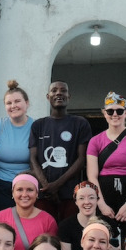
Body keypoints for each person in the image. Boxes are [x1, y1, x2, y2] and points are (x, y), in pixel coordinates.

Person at [87, 92, 126, 238]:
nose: (114, 114)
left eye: (119, 111)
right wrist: (101, 204)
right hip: (104, 193)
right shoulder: (95, 141)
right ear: (104, 113)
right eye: (110, 111)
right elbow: (92, 175)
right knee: (106, 238)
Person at [29, 81, 92, 222]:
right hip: (43, 194)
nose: (58, 93)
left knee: (67, 237)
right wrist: (47, 187)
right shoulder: (38, 125)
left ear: (69, 96)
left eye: (63, 91)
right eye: (54, 90)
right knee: (45, 236)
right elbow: (33, 159)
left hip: (70, 194)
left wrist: (55, 186)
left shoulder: (80, 123)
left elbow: (81, 159)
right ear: (48, 96)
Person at [0, 173, 58, 250]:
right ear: (12, 193)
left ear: (37, 193)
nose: (24, 194)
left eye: (30, 190)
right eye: (19, 190)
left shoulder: (48, 221)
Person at [0, 80, 35, 213]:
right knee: (2, 222)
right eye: (9, 103)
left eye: (17, 101)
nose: (13, 106)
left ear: (26, 103)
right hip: (0, 184)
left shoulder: (36, 127)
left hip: (27, 184)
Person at [58, 181, 101, 250]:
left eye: (91, 197)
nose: (87, 202)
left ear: (97, 200)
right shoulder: (65, 226)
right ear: (76, 202)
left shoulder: (107, 224)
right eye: (81, 198)